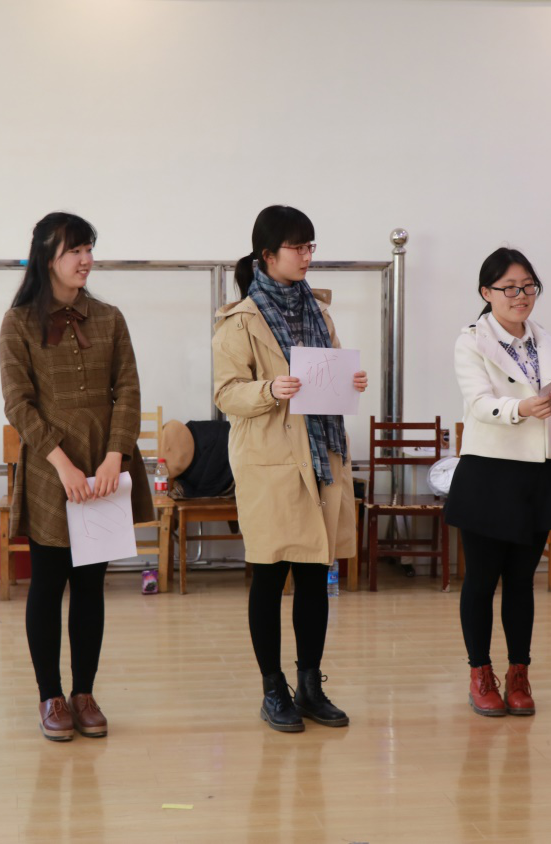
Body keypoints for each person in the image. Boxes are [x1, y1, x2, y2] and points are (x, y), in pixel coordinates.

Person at [0, 212, 153, 741]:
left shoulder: (109, 318)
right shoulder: (19, 322)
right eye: (75, 251)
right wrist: (62, 463)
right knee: (47, 583)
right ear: (48, 257)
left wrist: (114, 457)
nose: (86, 260)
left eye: (89, 249)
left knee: (91, 584)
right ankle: (51, 696)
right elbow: (18, 403)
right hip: (51, 468)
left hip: (105, 464)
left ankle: (84, 693)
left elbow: (128, 390)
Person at [212, 205, 365, 732]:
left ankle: (310, 685)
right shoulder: (239, 321)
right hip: (271, 463)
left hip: (322, 457)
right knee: (270, 572)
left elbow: (330, 374)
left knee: (315, 574)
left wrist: (350, 382)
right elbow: (226, 393)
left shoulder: (319, 311)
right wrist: (268, 389)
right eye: (297, 247)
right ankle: (272, 689)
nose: (306, 256)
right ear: (268, 255)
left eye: (310, 246)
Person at [446, 247, 551, 717]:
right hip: (489, 470)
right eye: (508, 288)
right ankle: (480, 674)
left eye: (528, 286)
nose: (520, 295)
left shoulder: (547, 344)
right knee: (482, 580)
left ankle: (519, 674)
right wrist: (520, 408)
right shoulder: (471, 342)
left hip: (538, 471)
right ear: (486, 293)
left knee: (522, 581)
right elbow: (479, 403)